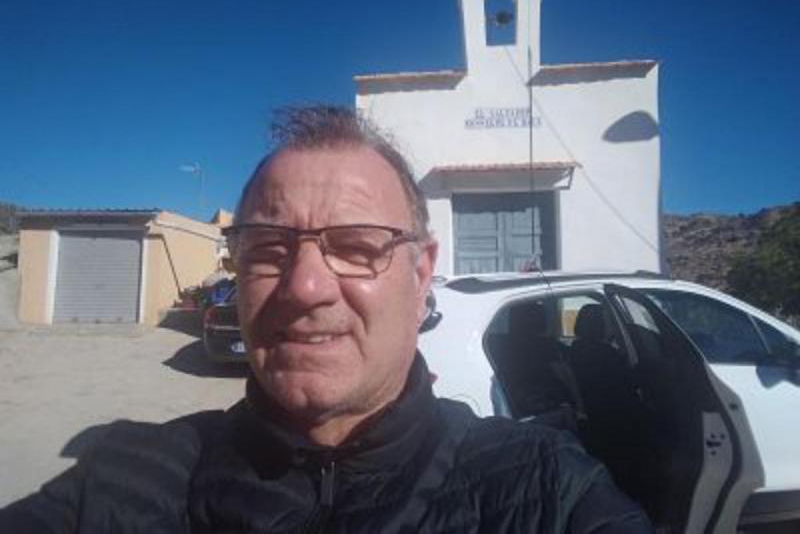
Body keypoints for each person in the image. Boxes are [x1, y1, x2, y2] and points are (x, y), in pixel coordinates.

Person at [1, 105, 652, 533]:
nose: (305, 286)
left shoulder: (542, 488)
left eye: (357, 246)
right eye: (267, 248)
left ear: (421, 274)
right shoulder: (128, 479)